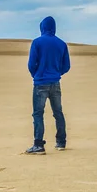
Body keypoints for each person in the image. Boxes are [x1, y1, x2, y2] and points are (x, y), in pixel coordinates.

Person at [25, 16, 71, 155]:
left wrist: (37, 75)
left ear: (42, 27)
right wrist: (56, 73)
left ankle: (38, 145)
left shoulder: (37, 42)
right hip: (55, 82)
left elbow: (32, 64)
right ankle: (61, 142)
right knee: (58, 112)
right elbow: (66, 66)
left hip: (40, 83)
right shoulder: (61, 44)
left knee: (38, 113)